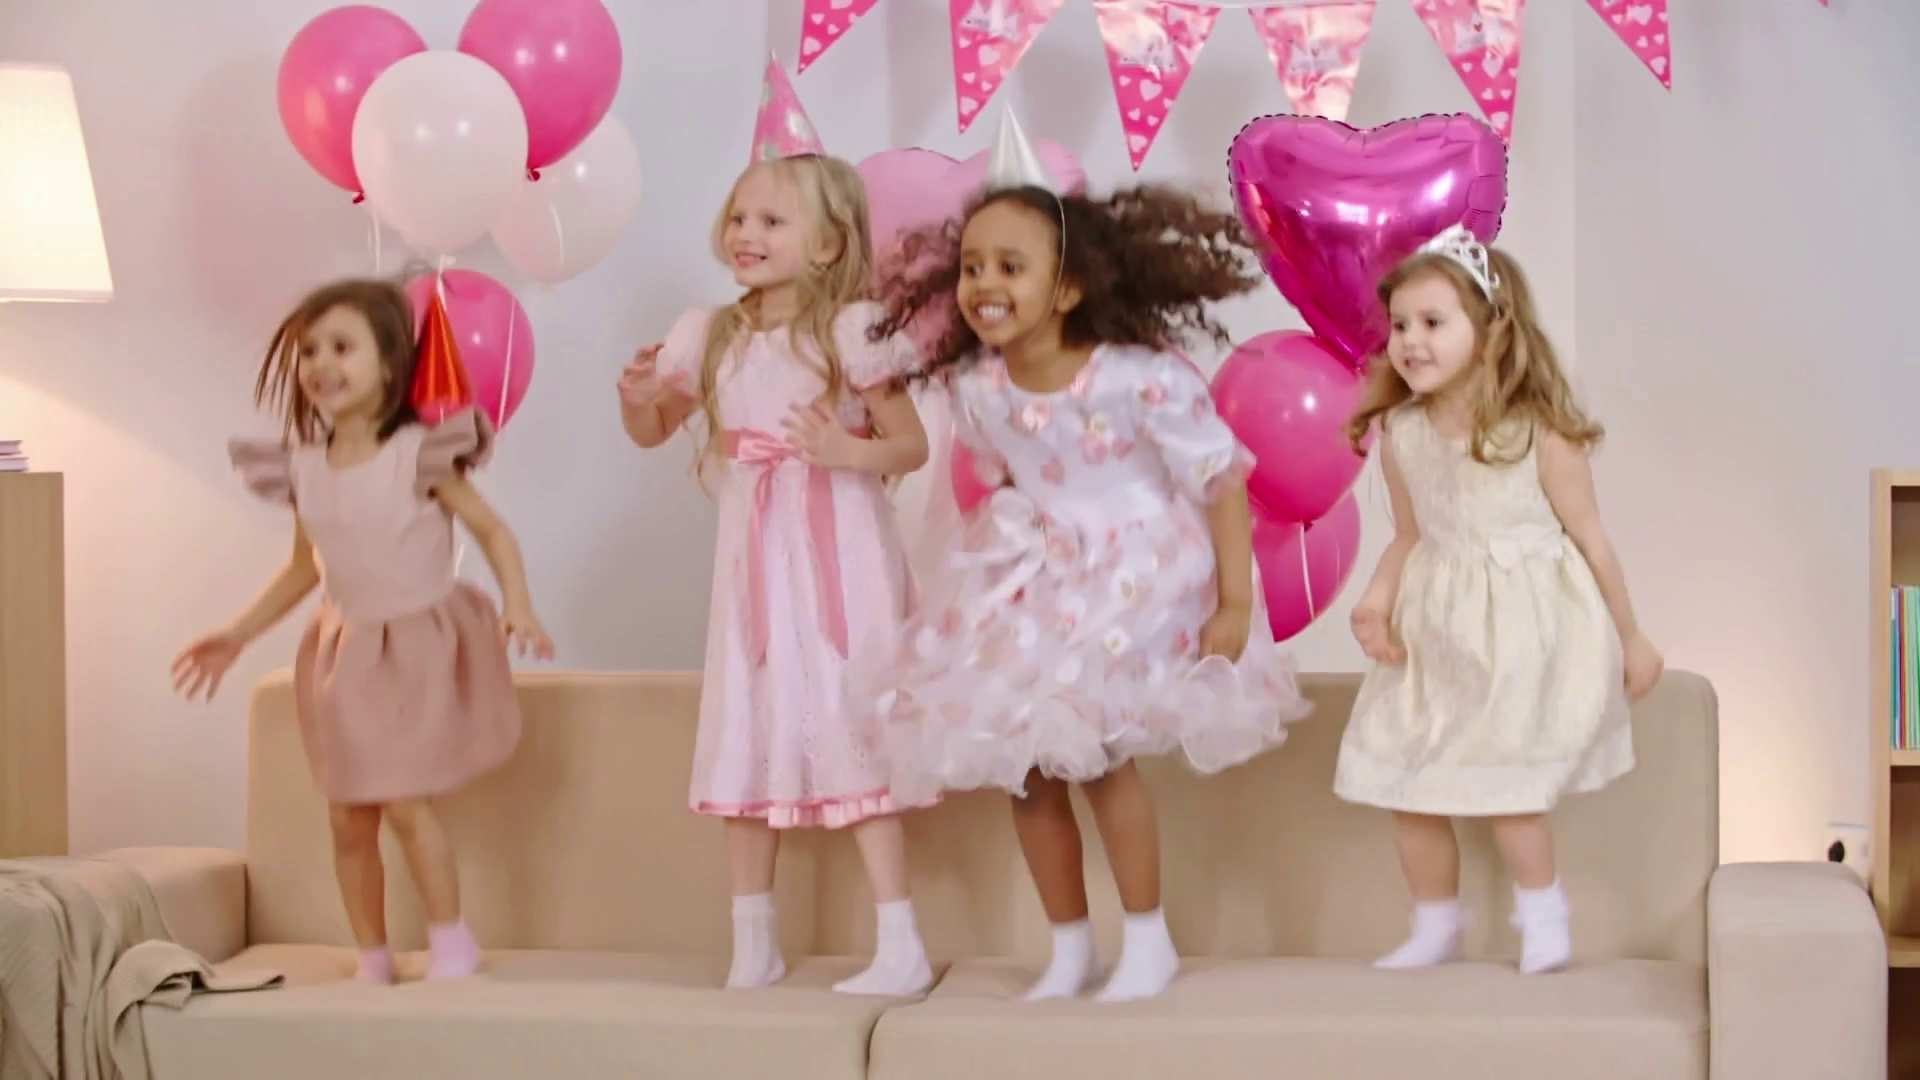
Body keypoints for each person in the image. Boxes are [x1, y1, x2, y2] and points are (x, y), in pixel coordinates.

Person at [859, 171, 1312, 1003]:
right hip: (1046, 571)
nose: (985, 284)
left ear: (1067, 288)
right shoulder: (980, 388)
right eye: (972, 267)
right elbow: (1008, 478)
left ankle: (1147, 941)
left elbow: (1220, 480)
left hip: (1140, 569)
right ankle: (1068, 947)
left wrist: (1235, 601)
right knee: (1027, 770)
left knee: (1097, 754)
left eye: (1011, 266)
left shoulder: (1135, 377)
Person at [617, 152, 935, 997]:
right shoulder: (710, 333)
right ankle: (753, 943)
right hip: (754, 564)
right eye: (739, 217)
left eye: (770, 221)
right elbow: (653, 430)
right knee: (749, 727)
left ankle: (900, 942)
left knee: (851, 715)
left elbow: (911, 445)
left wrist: (844, 450)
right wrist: (637, 397)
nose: (746, 234)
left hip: (840, 561)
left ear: (828, 244)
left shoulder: (852, 331)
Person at [173, 278, 553, 983]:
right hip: (346, 657)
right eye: (310, 350)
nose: (321, 363)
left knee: (406, 803)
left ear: (389, 363)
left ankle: (451, 941)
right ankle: (372, 955)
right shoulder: (304, 469)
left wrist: (519, 603)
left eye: (341, 347)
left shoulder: (419, 453)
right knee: (348, 818)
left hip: (415, 645)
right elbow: (303, 569)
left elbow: (493, 532)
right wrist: (237, 633)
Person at [1336, 224, 1665, 976]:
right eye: (1400, 325)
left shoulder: (1536, 432)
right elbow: (1410, 536)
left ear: (1490, 333)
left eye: (1432, 322)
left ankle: (1543, 913)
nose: (1410, 341)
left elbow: (1591, 538)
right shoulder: (1403, 435)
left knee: (1511, 784)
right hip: (1438, 629)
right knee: (1405, 781)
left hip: (1523, 631)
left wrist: (1633, 635)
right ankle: (1436, 923)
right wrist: (1376, 602)